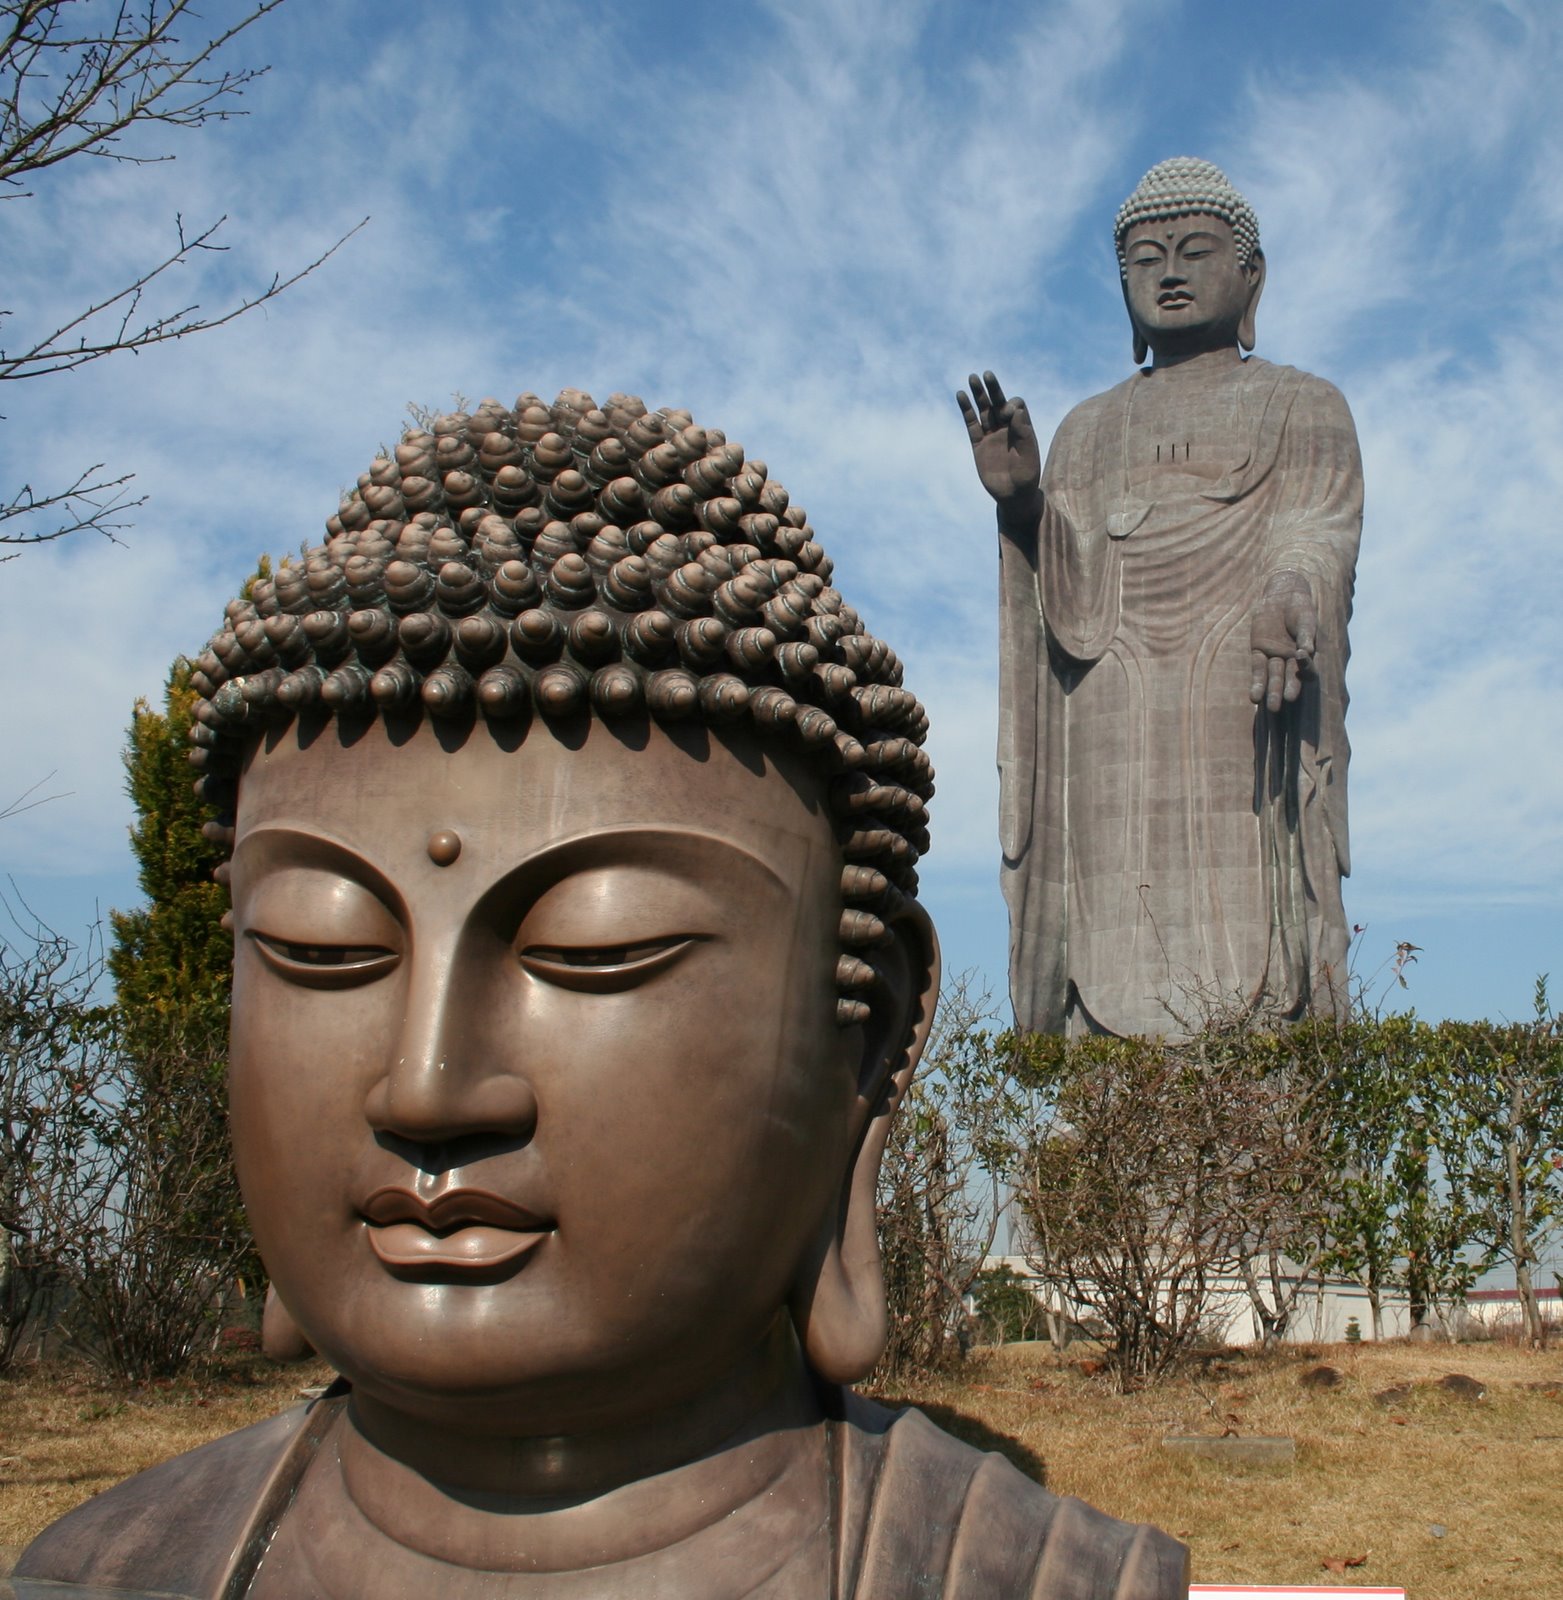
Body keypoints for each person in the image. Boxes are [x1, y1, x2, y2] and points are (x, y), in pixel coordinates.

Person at [17, 391, 1187, 1596]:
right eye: (322, 949)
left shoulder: (1024, 1579)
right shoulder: (104, 1574)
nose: (426, 1089)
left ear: (868, 1033)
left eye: (596, 946)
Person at [960, 158, 1363, 1039]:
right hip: (1113, 717)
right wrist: (1025, 504)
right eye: (1145, 259)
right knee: (1107, 902)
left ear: (1249, 275)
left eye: (1193, 251)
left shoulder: (1302, 405)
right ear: (1123, 288)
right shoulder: (1087, 429)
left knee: (1254, 922)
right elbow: (1069, 606)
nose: (1170, 274)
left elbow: (1314, 528)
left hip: (1244, 699)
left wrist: (1286, 590)